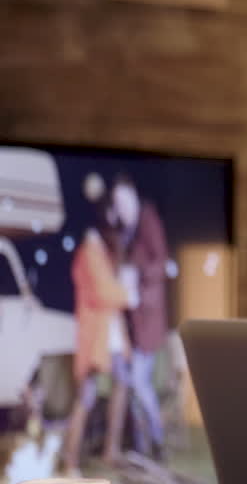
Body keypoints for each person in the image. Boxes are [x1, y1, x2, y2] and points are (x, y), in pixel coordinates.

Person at [61, 184, 131, 475]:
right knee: (86, 397)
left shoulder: (102, 248)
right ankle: (70, 461)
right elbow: (103, 292)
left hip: (111, 336)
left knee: (122, 384)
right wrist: (128, 293)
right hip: (96, 337)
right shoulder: (90, 249)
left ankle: (110, 449)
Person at [110, 173, 170, 462]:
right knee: (132, 383)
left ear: (132, 196)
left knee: (138, 382)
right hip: (130, 322)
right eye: (116, 202)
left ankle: (157, 442)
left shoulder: (146, 218)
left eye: (123, 200)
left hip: (147, 319)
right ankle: (140, 447)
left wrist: (138, 276)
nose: (120, 207)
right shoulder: (124, 228)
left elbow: (160, 263)